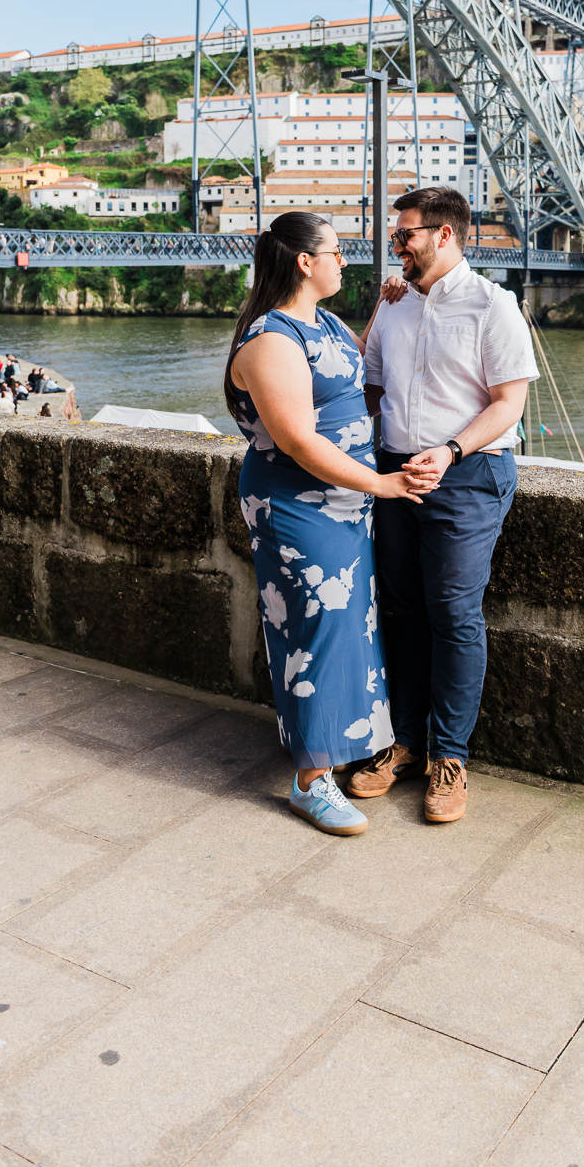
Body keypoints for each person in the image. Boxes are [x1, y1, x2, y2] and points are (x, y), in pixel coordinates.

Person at [224, 210, 437, 837]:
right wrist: (383, 483)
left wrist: (384, 308)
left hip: (340, 504)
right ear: (304, 262)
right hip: (299, 504)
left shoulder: (322, 323)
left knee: (344, 627)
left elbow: (346, 371)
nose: (345, 261)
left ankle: (325, 747)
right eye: (337, 252)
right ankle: (309, 783)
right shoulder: (271, 339)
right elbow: (294, 438)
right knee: (320, 629)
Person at [351, 186, 538, 824]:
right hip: (394, 473)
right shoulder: (396, 306)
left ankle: (449, 757)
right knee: (400, 609)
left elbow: (509, 404)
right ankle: (402, 742)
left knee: (454, 613)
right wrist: (377, 311)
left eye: (405, 234)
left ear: (444, 235)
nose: (395, 244)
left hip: (467, 474)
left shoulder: (494, 306)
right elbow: (365, 386)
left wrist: (452, 451)